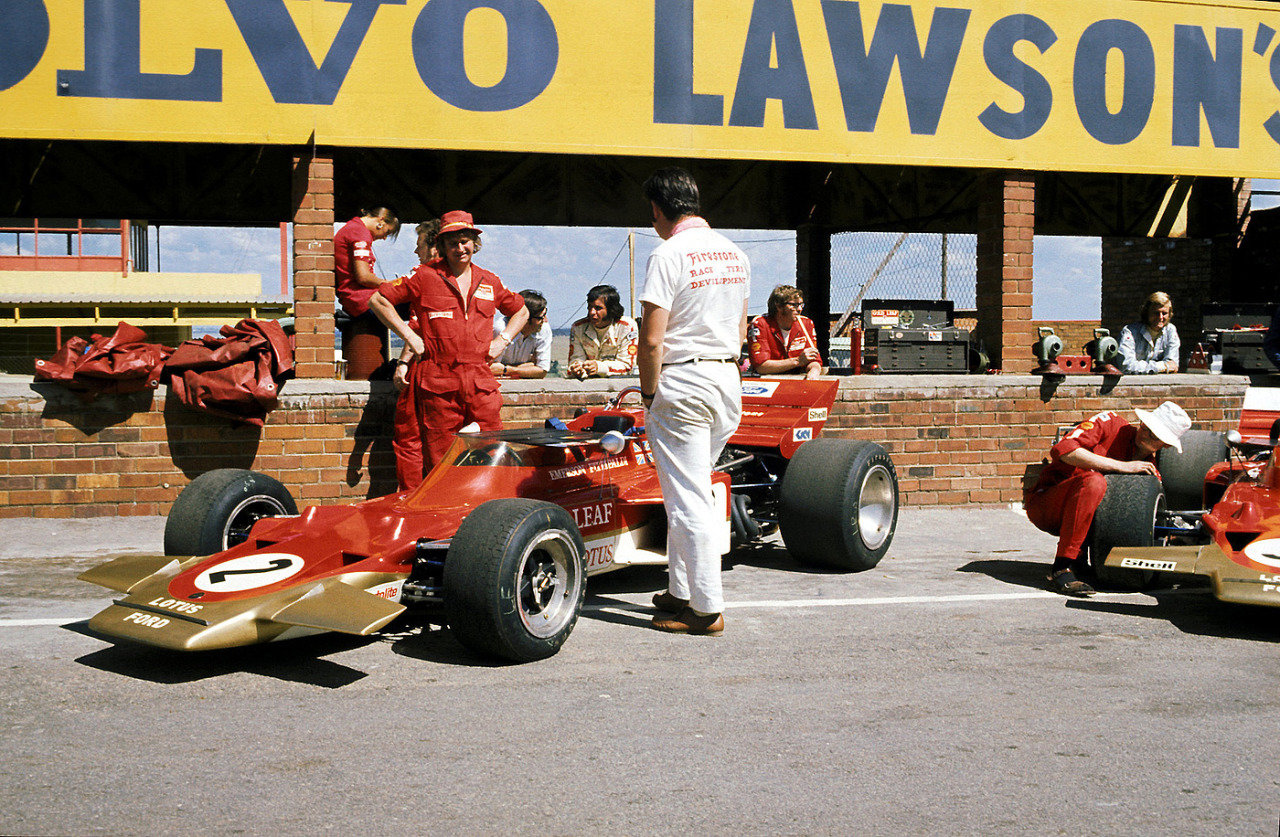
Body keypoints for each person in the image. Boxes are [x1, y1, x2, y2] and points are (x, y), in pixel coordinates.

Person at [637, 167, 751, 635]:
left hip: (683, 380)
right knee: (686, 493)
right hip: (726, 378)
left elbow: (651, 341)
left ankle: (705, 608)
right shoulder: (735, 253)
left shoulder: (667, 253)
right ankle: (680, 590)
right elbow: (741, 331)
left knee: (688, 501)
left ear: (657, 209)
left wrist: (649, 393)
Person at [369, 210, 529, 474]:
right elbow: (378, 300)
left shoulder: (489, 280)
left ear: (474, 243)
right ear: (442, 245)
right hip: (438, 380)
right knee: (442, 457)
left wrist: (502, 341)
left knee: (492, 444)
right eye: (452, 242)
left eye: (465, 241)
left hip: (479, 378)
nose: (460, 248)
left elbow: (521, 311)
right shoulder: (424, 276)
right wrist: (409, 336)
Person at [1024, 401, 1191, 597]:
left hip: (1084, 517)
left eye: (1153, 434)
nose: (1144, 433)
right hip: (1046, 502)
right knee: (1094, 481)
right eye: (1145, 426)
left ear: (1166, 445)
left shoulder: (1149, 472)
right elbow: (1064, 450)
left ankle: (1081, 560)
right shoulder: (1110, 423)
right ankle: (1062, 567)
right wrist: (1121, 466)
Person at [389, 220, 438, 491]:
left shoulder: (423, 275)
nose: (416, 251)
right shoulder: (467, 277)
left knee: (409, 437)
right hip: (459, 374)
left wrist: (402, 363)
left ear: (433, 246)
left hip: (425, 368)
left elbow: (417, 325)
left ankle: (410, 499)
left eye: (419, 245)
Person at [334, 206, 401, 379]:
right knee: (418, 304)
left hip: (354, 298)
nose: (384, 237)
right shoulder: (360, 233)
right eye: (387, 232)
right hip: (361, 299)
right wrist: (393, 284)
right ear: (380, 222)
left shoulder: (351, 229)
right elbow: (363, 277)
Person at [748, 285, 824, 378]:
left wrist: (814, 370)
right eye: (794, 305)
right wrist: (798, 361)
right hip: (767, 381)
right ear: (779, 306)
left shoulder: (806, 323)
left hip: (796, 380)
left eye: (801, 304)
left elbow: (814, 360)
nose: (800, 309)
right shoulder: (760, 324)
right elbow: (761, 366)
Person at [567, 284, 639, 378]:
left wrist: (599, 367)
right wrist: (578, 368)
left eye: (598, 308)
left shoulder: (626, 327)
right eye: (590, 307)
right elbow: (576, 359)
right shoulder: (578, 328)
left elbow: (627, 365)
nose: (592, 312)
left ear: (611, 309)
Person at [491, 290, 552, 379]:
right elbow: (492, 369)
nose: (545, 320)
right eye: (540, 317)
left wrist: (506, 369)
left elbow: (542, 371)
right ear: (526, 318)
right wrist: (529, 366)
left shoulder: (544, 329)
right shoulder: (501, 329)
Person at [1117, 291, 1180, 374]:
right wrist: (1161, 366)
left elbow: (1173, 365)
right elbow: (1127, 366)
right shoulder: (1129, 332)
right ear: (1146, 313)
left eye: (1164, 313)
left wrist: (1164, 367)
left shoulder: (1170, 331)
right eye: (1156, 313)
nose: (1160, 317)